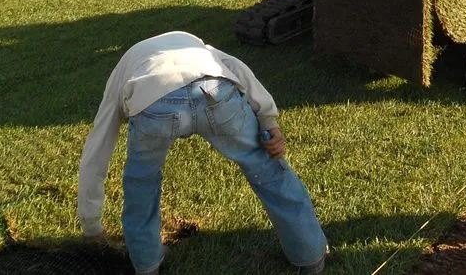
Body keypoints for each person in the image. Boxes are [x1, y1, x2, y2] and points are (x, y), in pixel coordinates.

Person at [77, 31, 329, 274]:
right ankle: (310, 257)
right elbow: (239, 69)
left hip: (152, 102)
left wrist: (91, 225)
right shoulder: (196, 46)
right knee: (268, 169)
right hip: (214, 89)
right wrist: (268, 120)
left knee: (141, 183)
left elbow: (97, 147)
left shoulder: (122, 72)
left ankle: (146, 264)